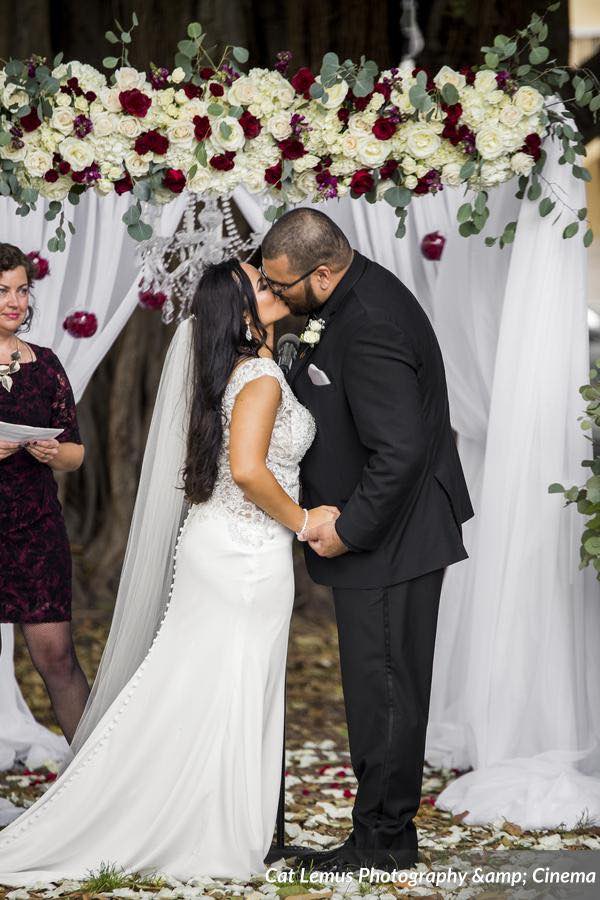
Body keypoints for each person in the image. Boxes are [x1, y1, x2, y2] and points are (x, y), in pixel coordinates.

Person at [0, 258, 337, 886]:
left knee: (205, 684)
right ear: (239, 311)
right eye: (261, 285)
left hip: (225, 545)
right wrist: (304, 521)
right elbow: (247, 471)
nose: (275, 287)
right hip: (244, 551)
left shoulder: (227, 373)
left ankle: (199, 811)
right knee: (226, 683)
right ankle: (209, 824)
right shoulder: (259, 375)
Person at [259, 208, 475, 872]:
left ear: (323, 273)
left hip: (392, 537)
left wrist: (349, 529)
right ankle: (385, 831)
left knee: (384, 688)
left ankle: (382, 840)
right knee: (380, 683)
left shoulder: (372, 321)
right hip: (393, 531)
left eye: (283, 285)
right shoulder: (348, 296)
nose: (275, 296)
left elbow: (401, 451)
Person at [0, 243, 89, 743]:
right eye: (2, 291)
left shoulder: (48, 364)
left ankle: (96, 785)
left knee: (57, 657)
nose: (15, 301)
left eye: (22, 290)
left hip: (36, 530)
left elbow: (76, 450)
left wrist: (56, 455)